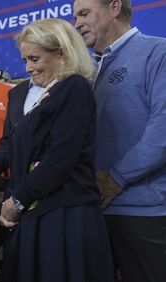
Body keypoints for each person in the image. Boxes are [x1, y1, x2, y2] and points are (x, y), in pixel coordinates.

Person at [0, 18, 113, 282]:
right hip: (43, 212)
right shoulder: (52, 91)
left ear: (61, 52)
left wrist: (16, 202)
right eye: (25, 60)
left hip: (64, 217)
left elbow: (60, 159)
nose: (27, 68)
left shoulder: (74, 87)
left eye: (35, 59)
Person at [74, 1, 166, 281]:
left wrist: (116, 178)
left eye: (84, 13)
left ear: (114, 7)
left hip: (144, 213)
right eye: (75, 15)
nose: (76, 23)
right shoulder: (86, 71)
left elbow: (162, 130)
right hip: (95, 209)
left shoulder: (158, 51)